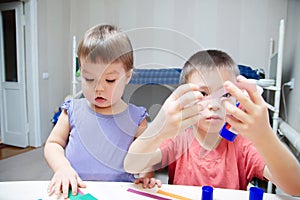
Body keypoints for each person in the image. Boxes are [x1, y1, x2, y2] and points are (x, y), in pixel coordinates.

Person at [124, 50, 300, 196]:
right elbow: (132, 165)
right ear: (185, 97)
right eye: (203, 94)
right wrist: (160, 128)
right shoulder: (179, 139)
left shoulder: (243, 145)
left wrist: (264, 136)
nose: (214, 105)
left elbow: (296, 187)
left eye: (225, 95)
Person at [44, 24, 160, 199]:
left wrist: (145, 175)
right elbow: (53, 144)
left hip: (119, 193)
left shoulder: (136, 118)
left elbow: (146, 154)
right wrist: (62, 168)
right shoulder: (73, 110)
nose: (98, 88)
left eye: (110, 80)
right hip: (76, 190)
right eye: (89, 78)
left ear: (128, 76)